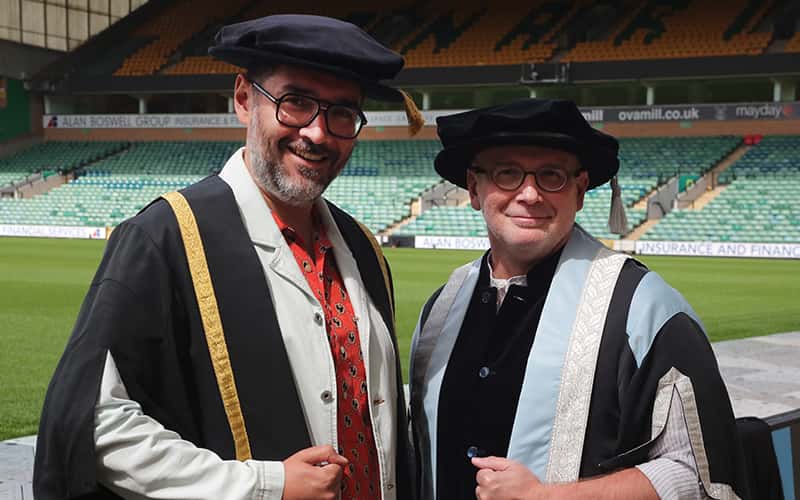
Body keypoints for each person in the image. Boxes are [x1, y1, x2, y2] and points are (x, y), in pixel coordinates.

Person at [34, 14, 422, 500]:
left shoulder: (363, 249)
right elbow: (95, 424)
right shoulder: (165, 237)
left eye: (342, 112)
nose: (318, 134)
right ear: (244, 99)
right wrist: (266, 485)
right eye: (296, 102)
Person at [409, 99, 750, 499]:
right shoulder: (442, 309)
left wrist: (547, 496)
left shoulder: (642, 307)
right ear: (473, 188)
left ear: (581, 190)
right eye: (507, 174)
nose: (530, 194)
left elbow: (701, 474)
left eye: (552, 176)